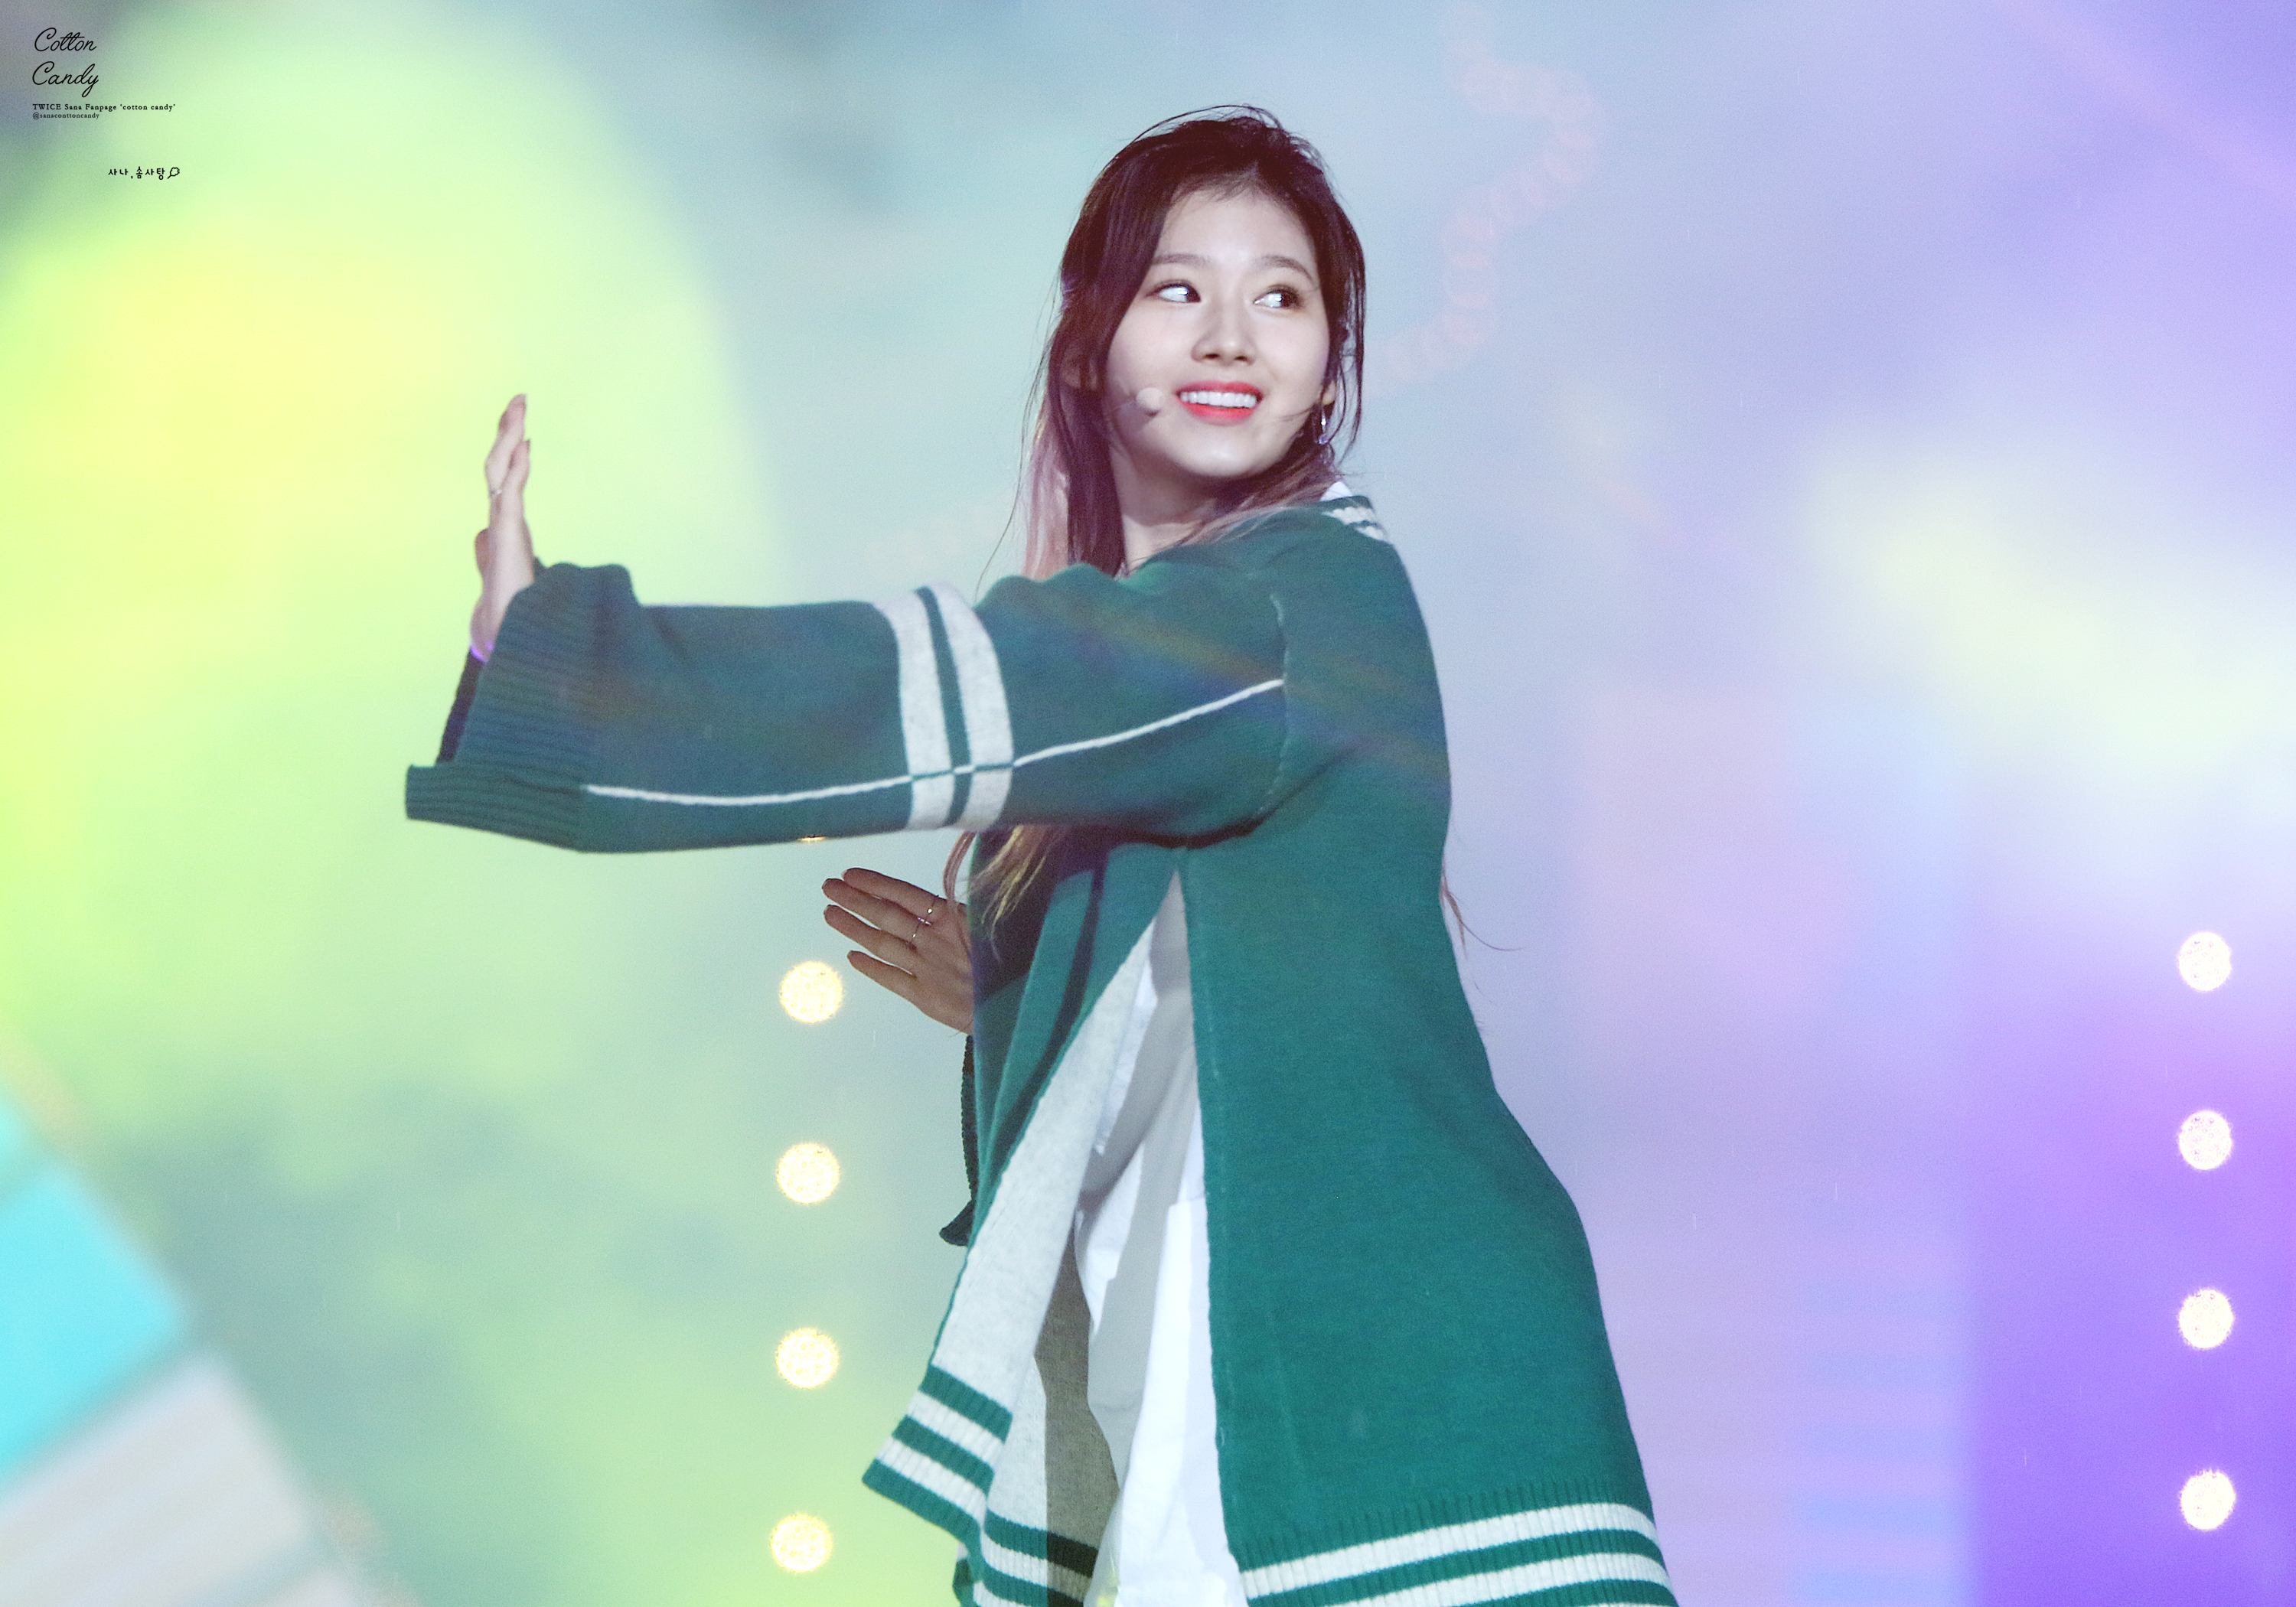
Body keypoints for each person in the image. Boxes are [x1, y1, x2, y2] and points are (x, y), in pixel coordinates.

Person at [409, 108, 1673, 1607]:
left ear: (1332, 361)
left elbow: (951, 686)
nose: (1232, 333)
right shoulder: (1191, 643)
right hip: (1246, 1400)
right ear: (1089, 343)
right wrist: (1022, 1003)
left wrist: (561, 658)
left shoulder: (1292, 603)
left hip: (1397, 1420)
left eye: (1282, 296)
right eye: (1178, 288)